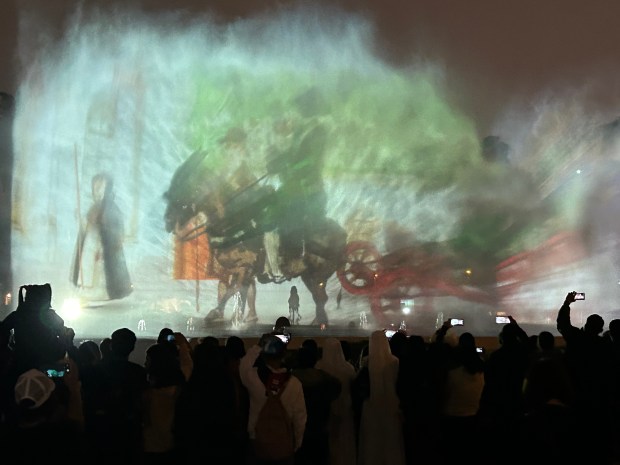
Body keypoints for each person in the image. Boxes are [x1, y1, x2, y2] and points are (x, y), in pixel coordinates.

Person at [239, 334, 306, 465]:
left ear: (263, 356)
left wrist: (258, 346)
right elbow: (300, 418)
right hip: (284, 445)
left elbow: (244, 366)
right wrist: (297, 443)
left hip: (257, 444)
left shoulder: (253, 378)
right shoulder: (294, 384)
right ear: (284, 355)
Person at [71, 172, 132, 302]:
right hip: (91, 244)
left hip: (103, 246)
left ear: (107, 188)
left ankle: (103, 292)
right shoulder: (95, 206)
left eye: (100, 187)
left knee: (101, 270)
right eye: (95, 187)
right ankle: (88, 291)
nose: (97, 190)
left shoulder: (111, 208)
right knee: (89, 267)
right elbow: (88, 225)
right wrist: (80, 218)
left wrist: (104, 245)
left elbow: (115, 230)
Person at [357, 330, 406, 465]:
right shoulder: (394, 361)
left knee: (371, 440)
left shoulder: (367, 362)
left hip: (370, 407)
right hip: (391, 405)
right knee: (391, 441)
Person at [0, 283, 66, 376]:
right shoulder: (51, 317)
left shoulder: (18, 315)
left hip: (21, 364)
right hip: (47, 365)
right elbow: (63, 334)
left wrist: (8, 349)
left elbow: (3, 328)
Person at [315, 337, 356, 465]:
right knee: (345, 440)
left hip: (325, 410)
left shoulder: (319, 367)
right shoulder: (348, 368)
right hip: (345, 407)